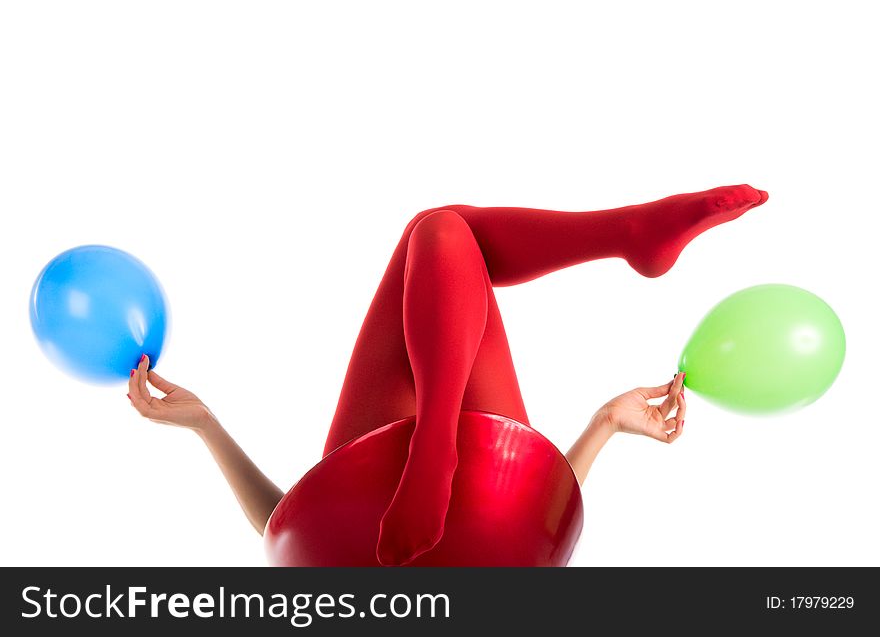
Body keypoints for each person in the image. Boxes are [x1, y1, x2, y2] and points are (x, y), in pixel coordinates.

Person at [127, 184, 768, 566]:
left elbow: (285, 528)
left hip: (427, 529)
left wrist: (205, 425)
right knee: (439, 234)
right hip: (393, 538)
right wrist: (604, 425)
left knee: (438, 235)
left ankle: (628, 234)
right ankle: (628, 235)